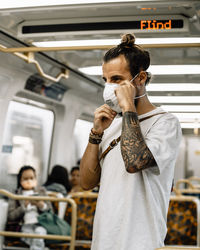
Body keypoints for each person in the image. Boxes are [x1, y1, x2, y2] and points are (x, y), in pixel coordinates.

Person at [80, 33, 182, 250]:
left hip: (141, 241)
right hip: (104, 238)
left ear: (141, 78)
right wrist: (96, 133)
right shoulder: (112, 123)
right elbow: (86, 183)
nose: (109, 87)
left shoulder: (166, 124)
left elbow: (135, 162)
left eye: (116, 79)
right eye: (105, 80)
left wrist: (128, 108)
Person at [8, 165, 51, 250]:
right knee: (32, 237)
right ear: (20, 180)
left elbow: (50, 211)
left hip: (41, 224)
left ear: (36, 179)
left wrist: (41, 205)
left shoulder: (42, 191)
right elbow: (11, 216)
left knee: (39, 233)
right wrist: (25, 206)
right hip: (24, 225)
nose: (29, 181)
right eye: (25, 178)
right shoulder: (15, 194)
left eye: (31, 178)